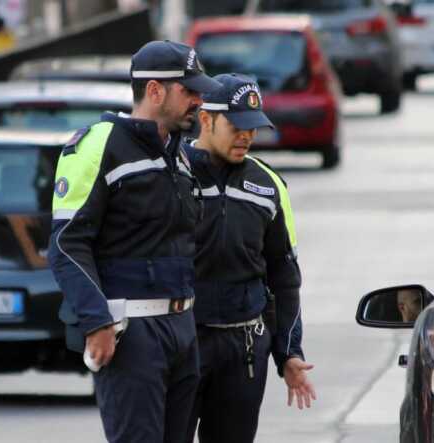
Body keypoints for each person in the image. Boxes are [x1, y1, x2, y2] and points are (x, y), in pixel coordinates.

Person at [47, 40, 221, 443]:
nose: (198, 100)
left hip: (181, 327)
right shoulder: (100, 143)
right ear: (155, 91)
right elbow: (67, 244)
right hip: (132, 332)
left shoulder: (176, 151)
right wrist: (96, 321)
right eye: (189, 91)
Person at [186, 73, 317, 443]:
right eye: (237, 126)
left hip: (243, 347)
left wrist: (289, 353)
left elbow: (285, 276)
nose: (247, 136)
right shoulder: (173, 173)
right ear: (207, 119)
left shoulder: (268, 185)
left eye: (253, 127)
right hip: (181, 341)